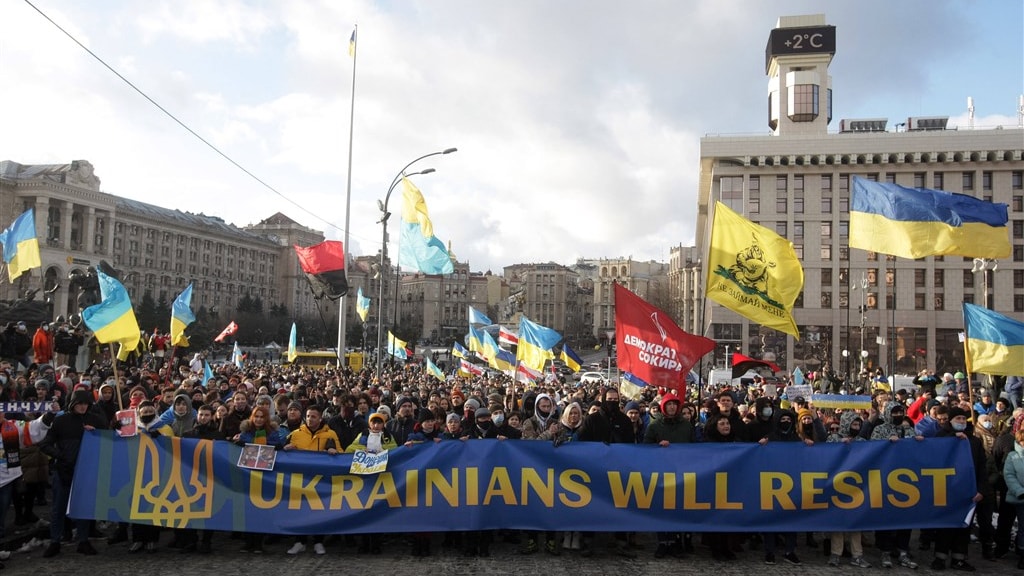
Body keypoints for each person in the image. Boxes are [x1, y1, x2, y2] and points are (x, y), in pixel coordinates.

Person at [38, 389, 108, 557]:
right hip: (63, 471)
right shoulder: (61, 421)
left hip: (85, 471)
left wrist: (97, 434)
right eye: (80, 403)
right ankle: (55, 541)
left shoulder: (95, 420)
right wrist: (60, 456)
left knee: (83, 508)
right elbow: (45, 444)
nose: (83, 407)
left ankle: (83, 541)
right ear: (73, 404)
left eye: (86, 403)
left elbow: (108, 440)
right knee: (58, 508)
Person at [931, 406, 984, 571]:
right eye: (957, 419)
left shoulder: (974, 441)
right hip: (945, 488)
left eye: (963, 419)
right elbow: (932, 453)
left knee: (963, 526)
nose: (961, 422)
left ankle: (959, 558)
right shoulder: (941, 437)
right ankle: (940, 557)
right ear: (950, 421)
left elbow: (982, 467)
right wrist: (952, 438)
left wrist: (981, 489)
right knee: (945, 525)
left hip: (967, 490)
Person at [283, 404, 339, 556]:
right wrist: (286, 449)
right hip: (299, 479)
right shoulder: (295, 434)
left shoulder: (330, 434)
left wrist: (334, 451)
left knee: (318, 510)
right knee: (299, 510)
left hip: (321, 480)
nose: (310, 419)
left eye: (313, 416)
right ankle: (299, 541)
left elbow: (341, 454)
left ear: (320, 418)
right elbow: (282, 452)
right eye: (308, 416)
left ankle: (318, 541)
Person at [643, 392, 694, 559]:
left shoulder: (686, 426)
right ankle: (662, 542)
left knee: (677, 508)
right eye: (669, 404)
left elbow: (696, 447)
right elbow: (645, 447)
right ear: (664, 407)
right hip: (661, 472)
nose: (672, 407)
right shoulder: (655, 426)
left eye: (674, 404)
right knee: (661, 508)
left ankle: (674, 542)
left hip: (682, 471)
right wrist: (657, 446)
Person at [1001, 428, 1024, 569]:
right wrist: (1020, 491)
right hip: (1021, 497)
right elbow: (1009, 475)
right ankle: (1022, 553)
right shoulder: (1013, 456)